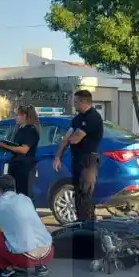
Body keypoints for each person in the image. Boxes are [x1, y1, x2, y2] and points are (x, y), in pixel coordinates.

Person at [0, 175, 54, 277]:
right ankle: (41, 267)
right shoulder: (26, 199)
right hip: (48, 253)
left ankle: (7, 271)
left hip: (25, 259)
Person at [53, 90, 103, 221]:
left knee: (85, 192)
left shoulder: (93, 117)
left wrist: (70, 137)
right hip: (77, 159)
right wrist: (58, 156)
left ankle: (87, 224)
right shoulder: (77, 119)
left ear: (83, 102)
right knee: (78, 193)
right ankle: (81, 222)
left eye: (75, 102)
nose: (74, 104)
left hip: (88, 160)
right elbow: (67, 138)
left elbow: (75, 138)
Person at [0, 105, 40, 197]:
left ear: (24, 115)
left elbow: (24, 149)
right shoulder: (20, 129)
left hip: (25, 168)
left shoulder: (30, 130)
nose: (15, 117)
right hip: (16, 165)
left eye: (17, 115)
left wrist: (5, 146)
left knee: (24, 194)